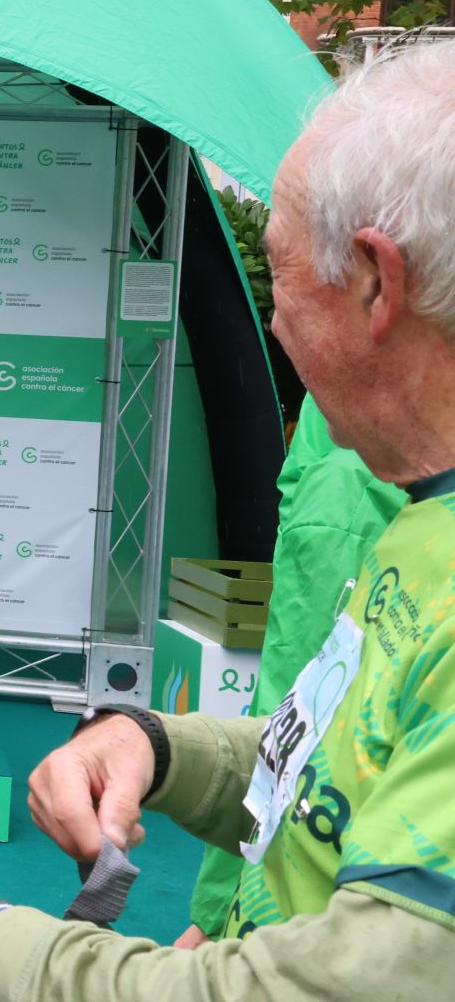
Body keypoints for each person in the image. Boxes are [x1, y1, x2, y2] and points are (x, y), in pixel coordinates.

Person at [0, 39, 455, 1002]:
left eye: (280, 273)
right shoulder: (421, 512)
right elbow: (340, 768)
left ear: (375, 283)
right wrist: (160, 745)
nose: (272, 322)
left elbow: (363, 979)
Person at [177, 393, 405, 945]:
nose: (278, 319)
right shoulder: (337, 460)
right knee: (293, 719)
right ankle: (218, 925)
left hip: (375, 504)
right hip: (342, 509)